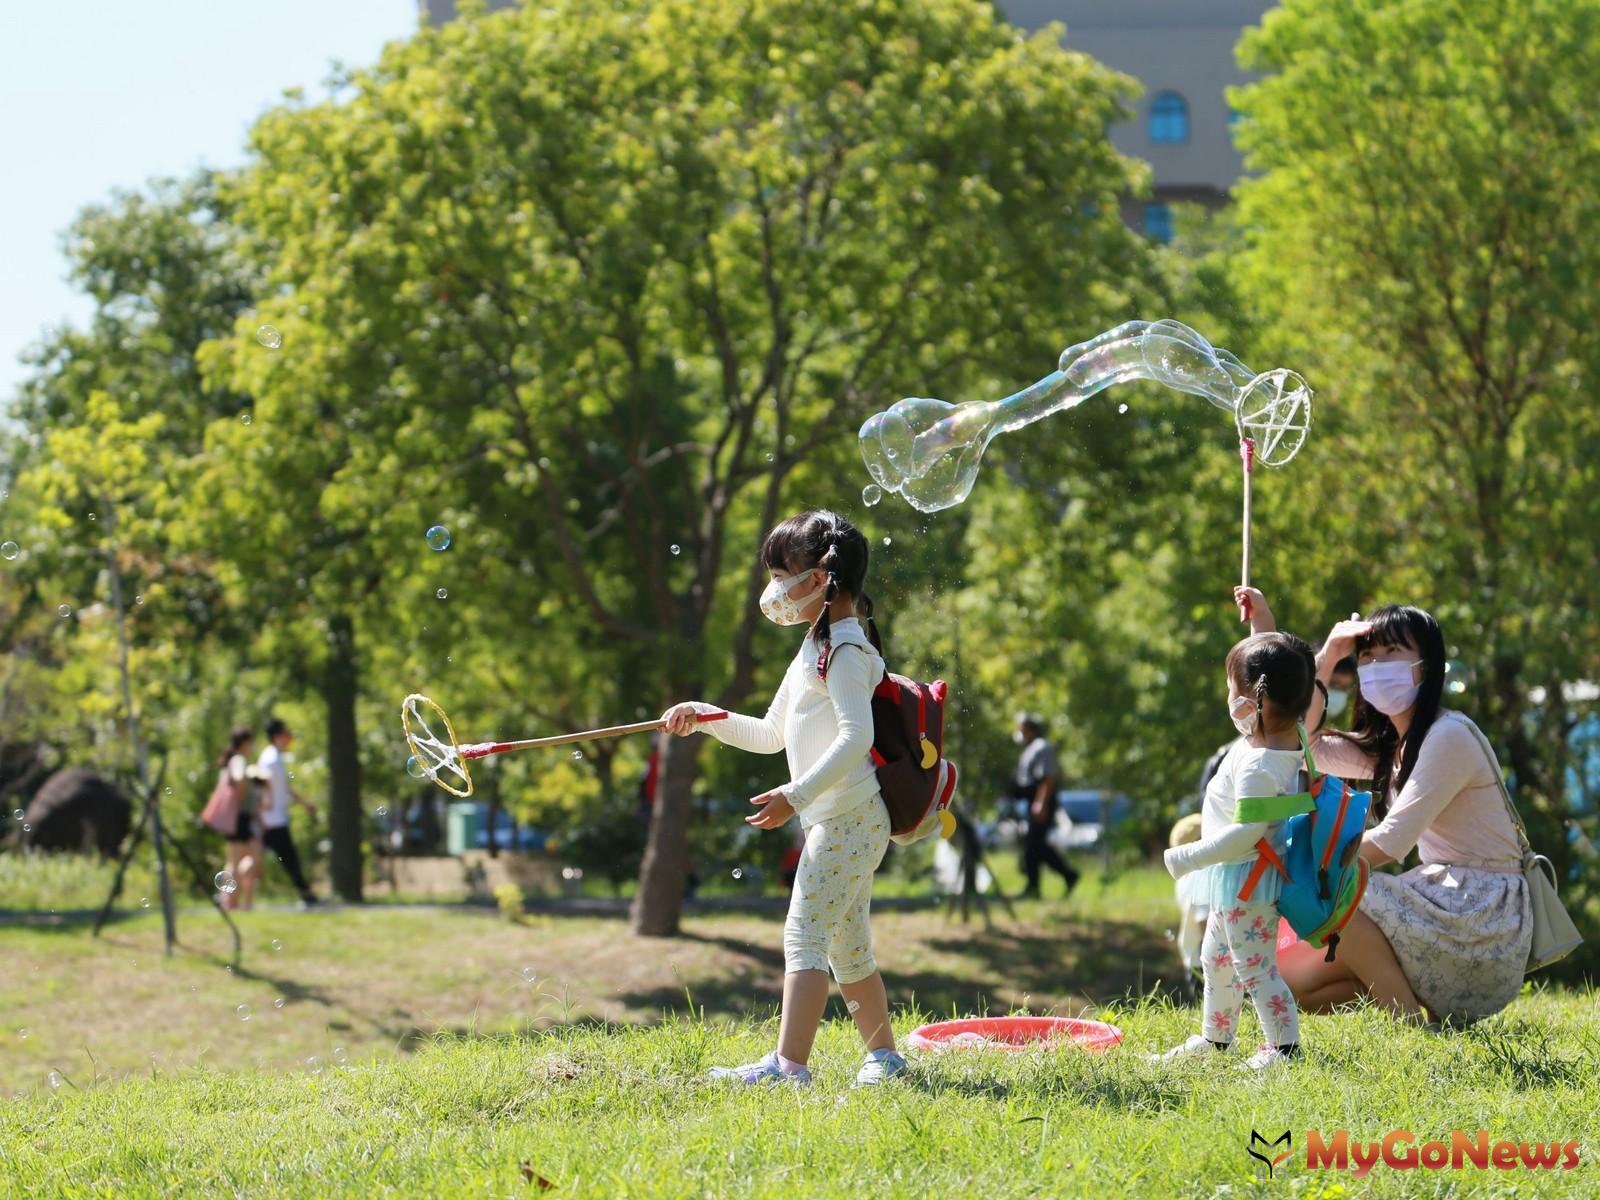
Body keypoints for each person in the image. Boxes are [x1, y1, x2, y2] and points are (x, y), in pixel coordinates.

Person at [661, 509, 905, 1087]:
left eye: (780, 573)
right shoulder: (813, 646)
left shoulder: (845, 650)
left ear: (819, 578)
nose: (773, 589)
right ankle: (886, 1060)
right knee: (848, 949)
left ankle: (789, 1067)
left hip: (848, 819)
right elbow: (772, 733)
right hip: (842, 821)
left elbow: (856, 738)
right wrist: (706, 717)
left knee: (805, 936)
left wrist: (795, 797)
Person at [1243, 589, 1532, 1026]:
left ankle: (1412, 1028)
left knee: (1344, 889)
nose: (1377, 666)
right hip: (1442, 904)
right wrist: (1330, 653)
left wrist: (1302, 873)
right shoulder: (1391, 749)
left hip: (1483, 917)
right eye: (1368, 657)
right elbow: (1303, 744)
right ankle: (1405, 1000)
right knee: (1294, 979)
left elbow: (1393, 839)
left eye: (1393, 652)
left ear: (1427, 667)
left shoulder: (1449, 734)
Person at [1154, 627, 1316, 1069]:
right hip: (1237, 878)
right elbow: (1281, 669)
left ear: (1255, 702)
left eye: (1232, 690)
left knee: (1254, 966)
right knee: (1217, 958)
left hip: (1249, 879)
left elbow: (1246, 833)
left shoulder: (1262, 765)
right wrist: (1260, 624)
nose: (1229, 700)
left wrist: (1187, 857)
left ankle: (1284, 1049)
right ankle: (1215, 1039)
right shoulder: (1279, 738)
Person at [1013, 713, 1079, 900]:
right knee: (1035, 847)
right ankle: (1043, 884)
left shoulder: (1042, 747)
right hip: (1032, 803)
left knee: (1034, 846)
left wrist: (1040, 803)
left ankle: (1065, 875)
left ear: (1031, 728)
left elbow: (1048, 777)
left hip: (1041, 803)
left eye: (1022, 728)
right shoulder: (1031, 748)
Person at [257, 717, 320, 906]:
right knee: (287, 858)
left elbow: (284, 788)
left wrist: (304, 803)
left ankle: (306, 893)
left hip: (275, 818)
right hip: (271, 819)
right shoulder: (270, 758)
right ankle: (306, 894)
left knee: (256, 857)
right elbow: (262, 784)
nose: (290, 738)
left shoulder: (275, 757)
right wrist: (263, 805)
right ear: (277, 736)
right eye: (286, 734)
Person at [216, 727, 262, 911]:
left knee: (234, 859)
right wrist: (243, 798)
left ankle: (228, 900)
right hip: (240, 817)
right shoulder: (239, 760)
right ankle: (231, 900)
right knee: (251, 858)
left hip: (234, 818)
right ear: (245, 743)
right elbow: (239, 779)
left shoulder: (229, 760)